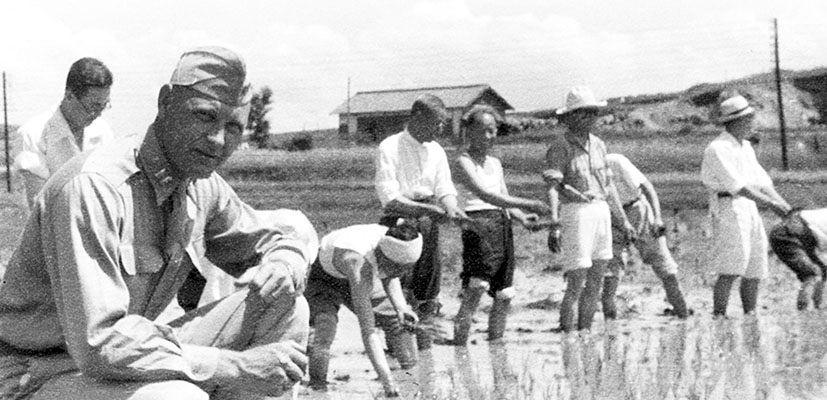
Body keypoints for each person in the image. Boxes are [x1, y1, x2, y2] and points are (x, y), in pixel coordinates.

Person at [0, 46, 318, 400]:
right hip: (35, 373)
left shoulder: (201, 183)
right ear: (165, 103)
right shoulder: (94, 187)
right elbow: (100, 342)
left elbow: (274, 236)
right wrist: (234, 367)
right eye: (204, 116)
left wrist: (284, 260)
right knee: (176, 397)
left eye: (232, 127)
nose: (217, 140)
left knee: (284, 305)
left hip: (118, 363)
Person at [374, 94, 469, 349]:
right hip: (400, 223)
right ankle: (401, 351)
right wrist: (426, 209)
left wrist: (450, 206)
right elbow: (389, 198)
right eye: (437, 123)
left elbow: (444, 188)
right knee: (399, 287)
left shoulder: (436, 151)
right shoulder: (389, 147)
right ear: (418, 116)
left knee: (428, 286)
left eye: (443, 123)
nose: (441, 129)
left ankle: (425, 352)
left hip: (429, 223)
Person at [450, 105, 551, 345]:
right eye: (483, 131)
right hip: (478, 225)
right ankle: (459, 347)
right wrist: (531, 203)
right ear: (469, 132)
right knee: (476, 288)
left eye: (492, 131)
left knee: (504, 294)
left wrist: (521, 217)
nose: (489, 137)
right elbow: (486, 196)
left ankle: (497, 346)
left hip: (501, 225)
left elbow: (502, 197)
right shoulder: (462, 162)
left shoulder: (495, 163)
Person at [542, 86, 635, 332]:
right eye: (584, 113)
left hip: (601, 210)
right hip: (576, 212)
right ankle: (567, 335)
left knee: (596, 279)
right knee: (576, 280)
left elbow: (609, 185)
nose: (590, 118)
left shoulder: (599, 145)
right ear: (570, 116)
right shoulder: (561, 146)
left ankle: (585, 332)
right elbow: (553, 186)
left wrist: (623, 220)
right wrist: (554, 224)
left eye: (593, 113)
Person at [305, 220, 422, 397]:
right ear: (384, 257)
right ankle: (318, 389)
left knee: (398, 324)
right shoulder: (358, 263)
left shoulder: (393, 240)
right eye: (399, 268)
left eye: (407, 269)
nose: (402, 273)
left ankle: (412, 381)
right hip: (322, 278)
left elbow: (390, 274)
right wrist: (387, 381)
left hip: (356, 273)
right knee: (325, 329)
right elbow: (368, 331)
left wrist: (400, 307)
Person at [701, 91, 791, 317]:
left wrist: (785, 206)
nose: (752, 123)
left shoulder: (746, 147)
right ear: (736, 121)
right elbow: (737, 186)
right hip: (729, 207)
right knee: (731, 268)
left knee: (755, 268)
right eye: (748, 119)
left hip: (749, 207)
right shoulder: (718, 148)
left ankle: (750, 315)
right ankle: (719, 316)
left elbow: (761, 181)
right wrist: (770, 204)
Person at [14, 57, 115, 209]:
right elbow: (38, 205)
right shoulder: (32, 135)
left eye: (104, 106)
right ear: (69, 95)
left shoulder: (102, 131)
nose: (98, 114)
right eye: (93, 107)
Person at [602, 153, 690, 319]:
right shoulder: (585, 169)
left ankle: (683, 316)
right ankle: (610, 326)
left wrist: (657, 218)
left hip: (637, 209)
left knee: (665, 266)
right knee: (611, 274)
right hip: (610, 218)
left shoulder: (615, 161)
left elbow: (647, 187)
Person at [769, 208, 827, 310]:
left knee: (822, 271)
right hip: (787, 234)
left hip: (804, 235)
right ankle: (802, 310)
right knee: (811, 273)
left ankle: (818, 308)